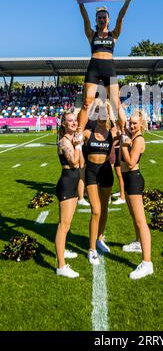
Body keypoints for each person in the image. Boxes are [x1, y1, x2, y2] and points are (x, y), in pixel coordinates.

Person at [74, 0, 133, 135]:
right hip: (94, 67)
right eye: (99, 17)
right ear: (97, 20)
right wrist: (80, 3)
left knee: (116, 103)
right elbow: (85, 19)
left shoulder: (114, 34)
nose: (102, 19)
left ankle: (123, 132)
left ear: (108, 19)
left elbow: (121, 17)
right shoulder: (91, 34)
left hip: (109, 68)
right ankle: (79, 133)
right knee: (87, 102)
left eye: (104, 17)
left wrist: (128, 0)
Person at [121, 111, 153, 280]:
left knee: (141, 221)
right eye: (130, 123)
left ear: (141, 124)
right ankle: (138, 243)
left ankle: (147, 263)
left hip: (134, 179)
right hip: (128, 179)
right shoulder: (131, 136)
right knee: (134, 216)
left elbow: (131, 162)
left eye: (134, 123)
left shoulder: (138, 139)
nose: (131, 126)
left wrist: (125, 146)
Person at [83, 101, 116, 265]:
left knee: (104, 208)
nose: (102, 118)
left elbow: (123, 125)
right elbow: (81, 123)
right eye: (100, 115)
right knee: (95, 210)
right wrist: (92, 104)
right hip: (91, 172)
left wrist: (111, 105)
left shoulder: (112, 133)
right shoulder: (88, 133)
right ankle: (91, 249)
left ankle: (100, 238)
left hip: (106, 173)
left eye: (105, 115)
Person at [55, 111, 84, 279]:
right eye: (70, 121)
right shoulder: (64, 142)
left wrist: (78, 144)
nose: (73, 123)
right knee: (63, 225)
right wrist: (78, 145)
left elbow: (80, 163)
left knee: (67, 224)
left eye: (74, 120)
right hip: (66, 183)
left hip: (73, 182)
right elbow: (74, 162)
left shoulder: (71, 140)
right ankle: (61, 266)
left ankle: (63, 251)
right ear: (64, 124)